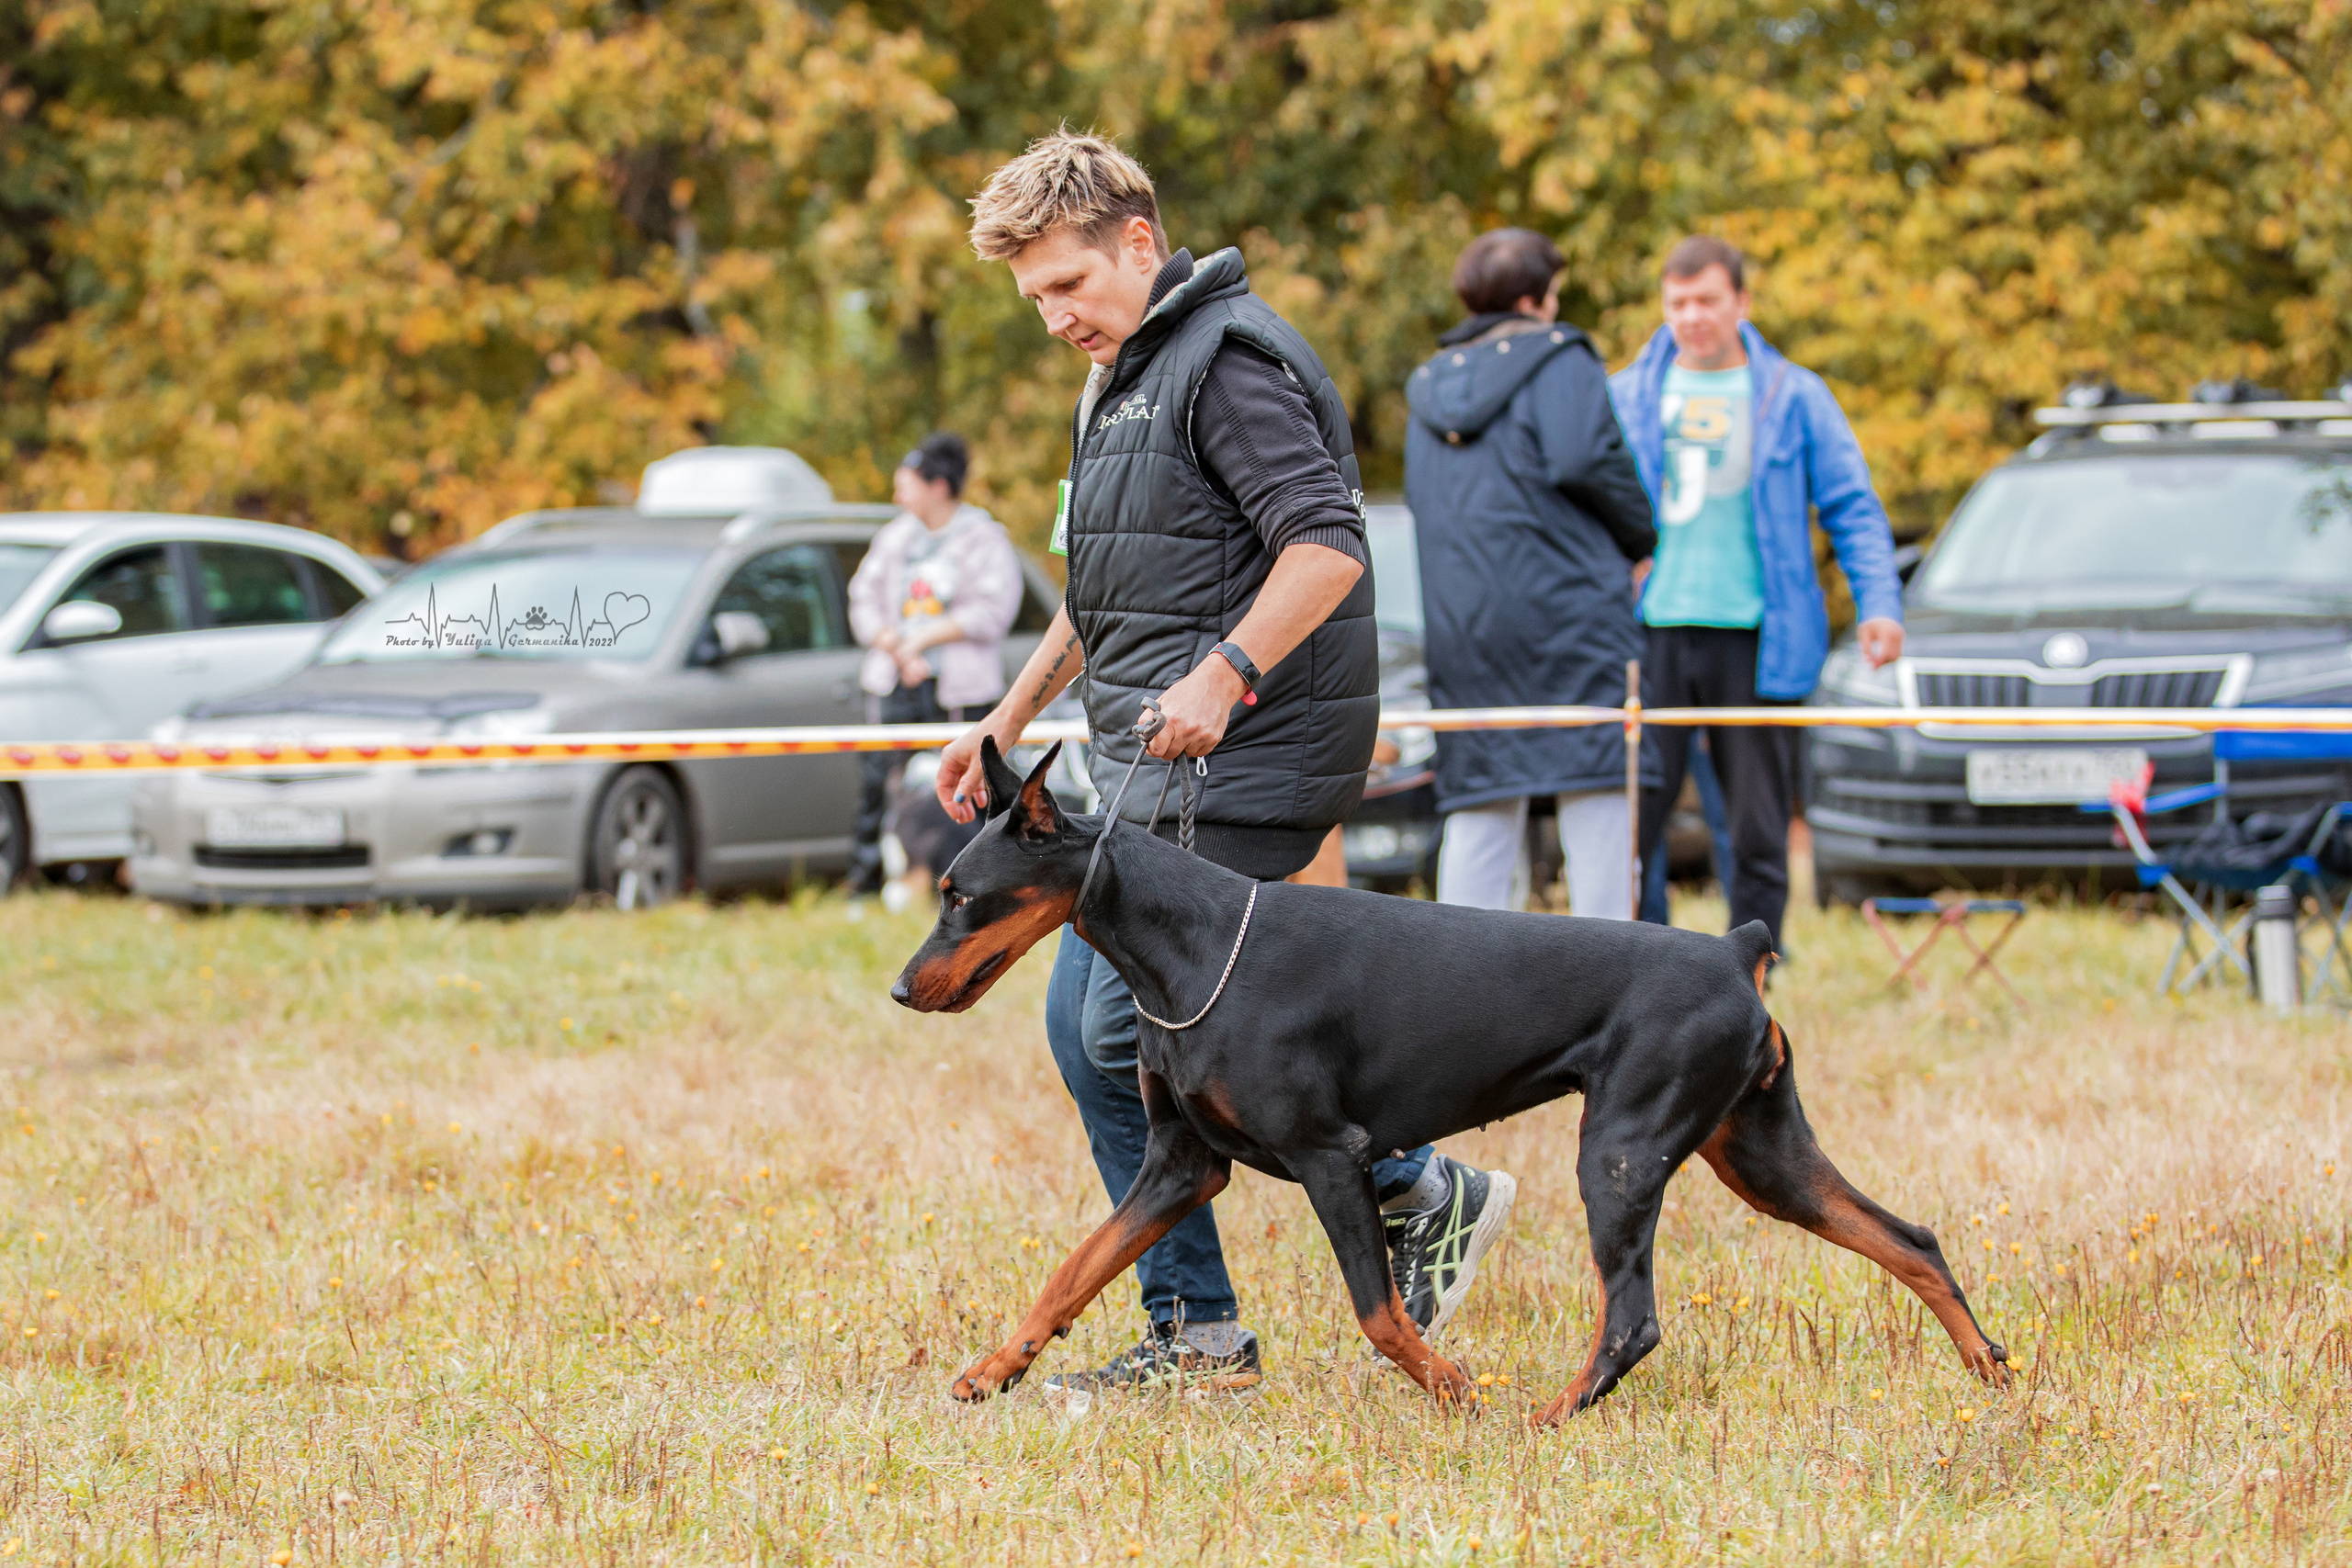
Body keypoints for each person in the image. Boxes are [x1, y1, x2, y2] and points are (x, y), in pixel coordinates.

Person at [934, 130, 1515, 1393]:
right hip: (1157, 765)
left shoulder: (1228, 363)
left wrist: (1226, 672)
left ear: (1138, 243)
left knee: (1103, 1028)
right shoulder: (1121, 379)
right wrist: (1006, 718)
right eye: (1035, 298)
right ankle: (1363, 1219)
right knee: (1100, 1035)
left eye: (1069, 287)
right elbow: (1105, 590)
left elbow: (1325, 546)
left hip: (1246, 753)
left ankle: (1256, 1290)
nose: (1054, 319)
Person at [1609, 236, 1905, 948]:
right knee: (1632, 820)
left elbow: (1852, 506)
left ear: (1741, 301)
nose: (1692, 316)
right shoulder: (1623, 395)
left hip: (1759, 637)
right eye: (1677, 303)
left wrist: (1881, 605)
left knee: (1758, 825)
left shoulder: (1794, 394)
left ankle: (1754, 974)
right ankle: (1638, 968)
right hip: (1648, 634)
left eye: (1707, 300)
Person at [1404, 229, 1657, 918]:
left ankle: (1460, 989)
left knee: (1481, 804)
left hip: (1466, 628)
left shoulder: (1427, 388)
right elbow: (1584, 457)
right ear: (1531, 298)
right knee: (1599, 795)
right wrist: (1642, 535)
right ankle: (1612, 988)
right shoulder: (1560, 359)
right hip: (1569, 617)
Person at [845, 434, 1022, 897]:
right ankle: (871, 883)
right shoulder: (894, 537)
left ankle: (976, 882)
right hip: (895, 682)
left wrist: (924, 638)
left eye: (906, 484)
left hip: (959, 686)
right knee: (881, 781)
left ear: (939, 486)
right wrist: (896, 647)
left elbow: (993, 610)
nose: (898, 495)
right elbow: (862, 598)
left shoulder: (983, 537)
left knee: (969, 780)